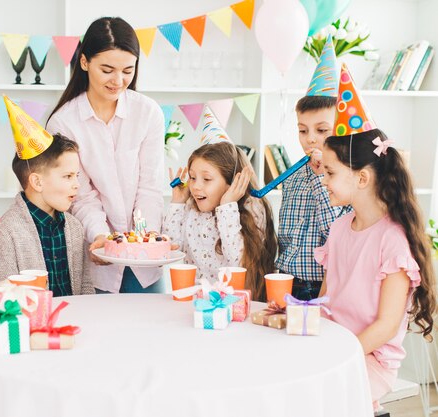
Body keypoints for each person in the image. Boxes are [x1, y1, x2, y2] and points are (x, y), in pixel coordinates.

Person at [316, 64, 436, 412]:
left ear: (363, 179)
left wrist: (339, 353)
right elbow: (327, 296)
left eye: (331, 172)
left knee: (319, 397)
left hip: (369, 356)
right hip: (335, 343)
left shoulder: (393, 241)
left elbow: (384, 326)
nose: (323, 180)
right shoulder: (340, 229)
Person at [46, 17, 164, 293]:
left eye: (127, 70)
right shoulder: (64, 123)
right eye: (107, 70)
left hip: (145, 261)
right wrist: (102, 237)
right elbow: (81, 195)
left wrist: (142, 241)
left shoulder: (147, 113)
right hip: (97, 258)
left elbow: (150, 186)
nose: (118, 81)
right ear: (85, 62)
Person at [0, 97, 94, 295]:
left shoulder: (75, 227)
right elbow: (6, 299)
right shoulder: (6, 234)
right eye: (68, 176)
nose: (77, 184)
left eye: (76, 176)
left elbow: (85, 285)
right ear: (37, 182)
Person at [276, 35, 348, 300]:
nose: (310, 138)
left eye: (321, 130)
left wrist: (321, 178)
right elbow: (285, 232)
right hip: (285, 278)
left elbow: (336, 234)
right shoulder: (294, 174)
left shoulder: (347, 179)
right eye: (302, 130)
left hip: (322, 285)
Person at [163, 136, 277, 302]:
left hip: (233, 305)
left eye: (207, 179)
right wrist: (177, 203)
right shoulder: (191, 207)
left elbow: (237, 262)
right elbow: (170, 249)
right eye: (193, 178)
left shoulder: (251, 209)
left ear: (232, 182)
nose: (195, 186)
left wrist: (227, 207)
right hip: (195, 304)